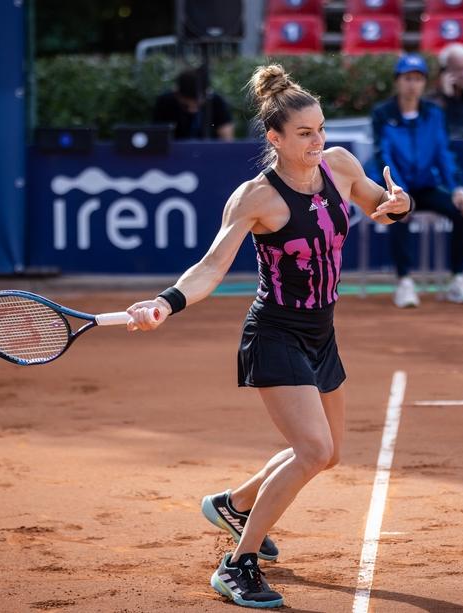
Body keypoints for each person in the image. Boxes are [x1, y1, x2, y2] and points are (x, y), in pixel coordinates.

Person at [124, 64, 412, 609]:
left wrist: (400, 206)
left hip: (322, 332)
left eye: (321, 129)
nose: (317, 141)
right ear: (274, 138)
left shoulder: (340, 166)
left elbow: (379, 205)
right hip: (275, 331)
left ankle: (233, 504)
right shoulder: (256, 197)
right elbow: (211, 267)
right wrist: (165, 302)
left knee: (328, 455)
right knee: (313, 449)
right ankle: (237, 565)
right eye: (304, 134)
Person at [368, 54, 463, 308]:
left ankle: (458, 278)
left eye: (418, 79)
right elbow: (382, 155)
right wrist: (397, 193)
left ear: (424, 83)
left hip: (427, 186)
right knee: (397, 211)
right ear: (398, 81)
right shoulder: (382, 114)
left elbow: (444, 153)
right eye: (407, 78)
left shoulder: (434, 114)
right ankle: (404, 282)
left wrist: (457, 189)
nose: (412, 84)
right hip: (396, 186)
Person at [152, 67, 235, 141]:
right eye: (186, 106)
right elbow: (158, 138)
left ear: (207, 93)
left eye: (198, 105)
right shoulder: (165, 102)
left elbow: (227, 139)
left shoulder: (216, 102)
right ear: (176, 93)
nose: (192, 110)